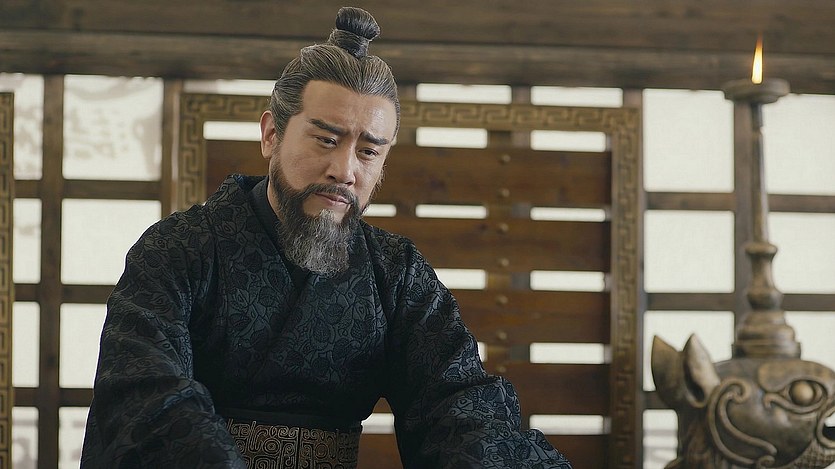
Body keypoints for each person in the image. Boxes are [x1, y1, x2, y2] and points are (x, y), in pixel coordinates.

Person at [80, 6, 572, 469]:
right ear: (271, 134)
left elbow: (457, 402)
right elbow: (147, 399)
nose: (345, 170)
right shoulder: (178, 249)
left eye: (368, 152)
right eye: (326, 140)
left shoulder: (396, 273)